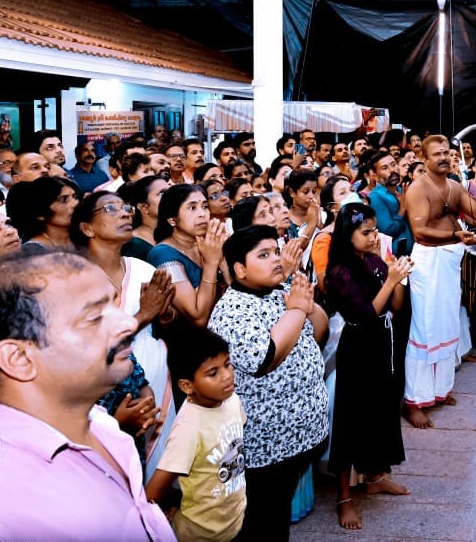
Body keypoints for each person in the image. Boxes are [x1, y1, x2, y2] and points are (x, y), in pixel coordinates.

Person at [0, 251, 173, 541]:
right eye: (95, 317)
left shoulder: (99, 423)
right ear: (18, 357)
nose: (129, 324)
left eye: (115, 305)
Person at [210, 225, 328, 542]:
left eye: (276, 251)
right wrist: (297, 310)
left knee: (276, 514)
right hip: (266, 445)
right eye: (264, 255)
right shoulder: (233, 309)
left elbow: (319, 333)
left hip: (298, 436)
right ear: (239, 269)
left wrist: (309, 306)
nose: (276, 259)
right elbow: (265, 359)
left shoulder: (279, 293)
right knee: (261, 520)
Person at [406, 135, 476, 426]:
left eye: (447, 152)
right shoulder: (418, 189)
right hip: (428, 263)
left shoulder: (454, 186)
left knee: (447, 324)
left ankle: (439, 390)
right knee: (424, 329)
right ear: (424, 158)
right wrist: (454, 235)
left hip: (449, 261)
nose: (444, 157)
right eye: (436, 154)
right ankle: (413, 401)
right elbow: (420, 232)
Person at [71, 191, 177, 471]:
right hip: (105, 385)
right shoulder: (74, 278)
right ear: (86, 228)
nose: (125, 213)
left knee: (160, 465)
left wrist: (164, 313)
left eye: (125, 207)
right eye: (110, 209)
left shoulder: (141, 268)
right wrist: (145, 313)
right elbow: (91, 341)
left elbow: (165, 322)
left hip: (152, 374)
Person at [325, 203, 413, 529]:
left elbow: (396, 307)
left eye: (374, 230)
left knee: (381, 412)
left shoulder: (375, 262)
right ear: (347, 235)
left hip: (380, 345)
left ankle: (376, 475)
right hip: (357, 347)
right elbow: (364, 314)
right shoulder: (339, 272)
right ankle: (344, 498)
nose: (373, 237)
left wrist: (399, 279)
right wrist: (391, 280)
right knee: (351, 420)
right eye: (365, 232)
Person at [145, 327, 247, 542]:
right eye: (213, 373)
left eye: (227, 364)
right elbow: (153, 493)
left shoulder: (232, 400)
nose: (227, 375)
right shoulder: (188, 428)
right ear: (187, 385)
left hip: (233, 521)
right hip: (200, 534)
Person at [147, 183, 229, 329]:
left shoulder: (207, 243)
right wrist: (211, 263)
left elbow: (233, 290)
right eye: (192, 208)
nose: (202, 214)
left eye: (205, 207)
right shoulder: (163, 254)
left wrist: (221, 257)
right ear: (172, 219)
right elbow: (198, 317)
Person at [5, 176, 81, 250]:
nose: (75, 203)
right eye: (63, 200)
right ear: (41, 214)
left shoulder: (82, 238)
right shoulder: (33, 251)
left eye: (74, 197)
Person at [366, 149, 413, 257]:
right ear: (375, 176)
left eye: (393, 164)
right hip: (395, 260)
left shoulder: (403, 190)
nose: (392, 170)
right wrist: (402, 209)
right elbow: (387, 231)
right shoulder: (375, 197)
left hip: (416, 254)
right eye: (384, 168)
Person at [118, 174, 170, 261]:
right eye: (162, 193)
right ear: (144, 207)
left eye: (170, 191)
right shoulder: (133, 246)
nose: (171, 196)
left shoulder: (176, 233)